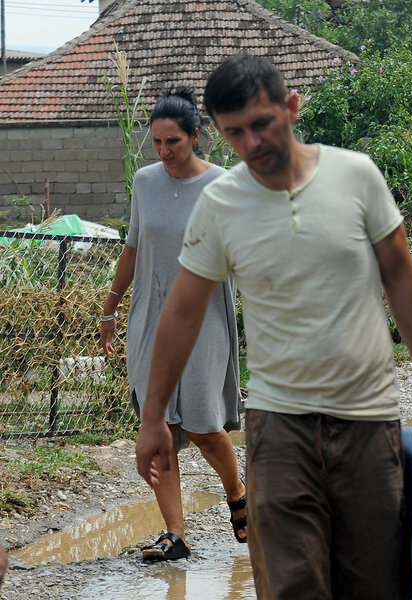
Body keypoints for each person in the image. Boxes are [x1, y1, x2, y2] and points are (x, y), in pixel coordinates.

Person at [134, 55, 412, 599]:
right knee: (288, 585)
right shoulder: (222, 204)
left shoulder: (356, 176)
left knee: (373, 582)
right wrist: (154, 415)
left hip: (367, 418)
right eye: (235, 133)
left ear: (291, 108)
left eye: (262, 124)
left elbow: (400, 275)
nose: (251, 142)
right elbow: (182, 311)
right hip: (278, 426)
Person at [99, 88, 245, 561]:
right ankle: (175, 534)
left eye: (173, 142)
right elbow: (133, 247)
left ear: (196, 137)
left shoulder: (224, 185)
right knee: (156, 422)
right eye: (157, 142)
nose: (164, 152)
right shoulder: (144, 182)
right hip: (150, 314)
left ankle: (237, 493)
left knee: (204, 426)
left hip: (205, 317)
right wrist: (110, 307)